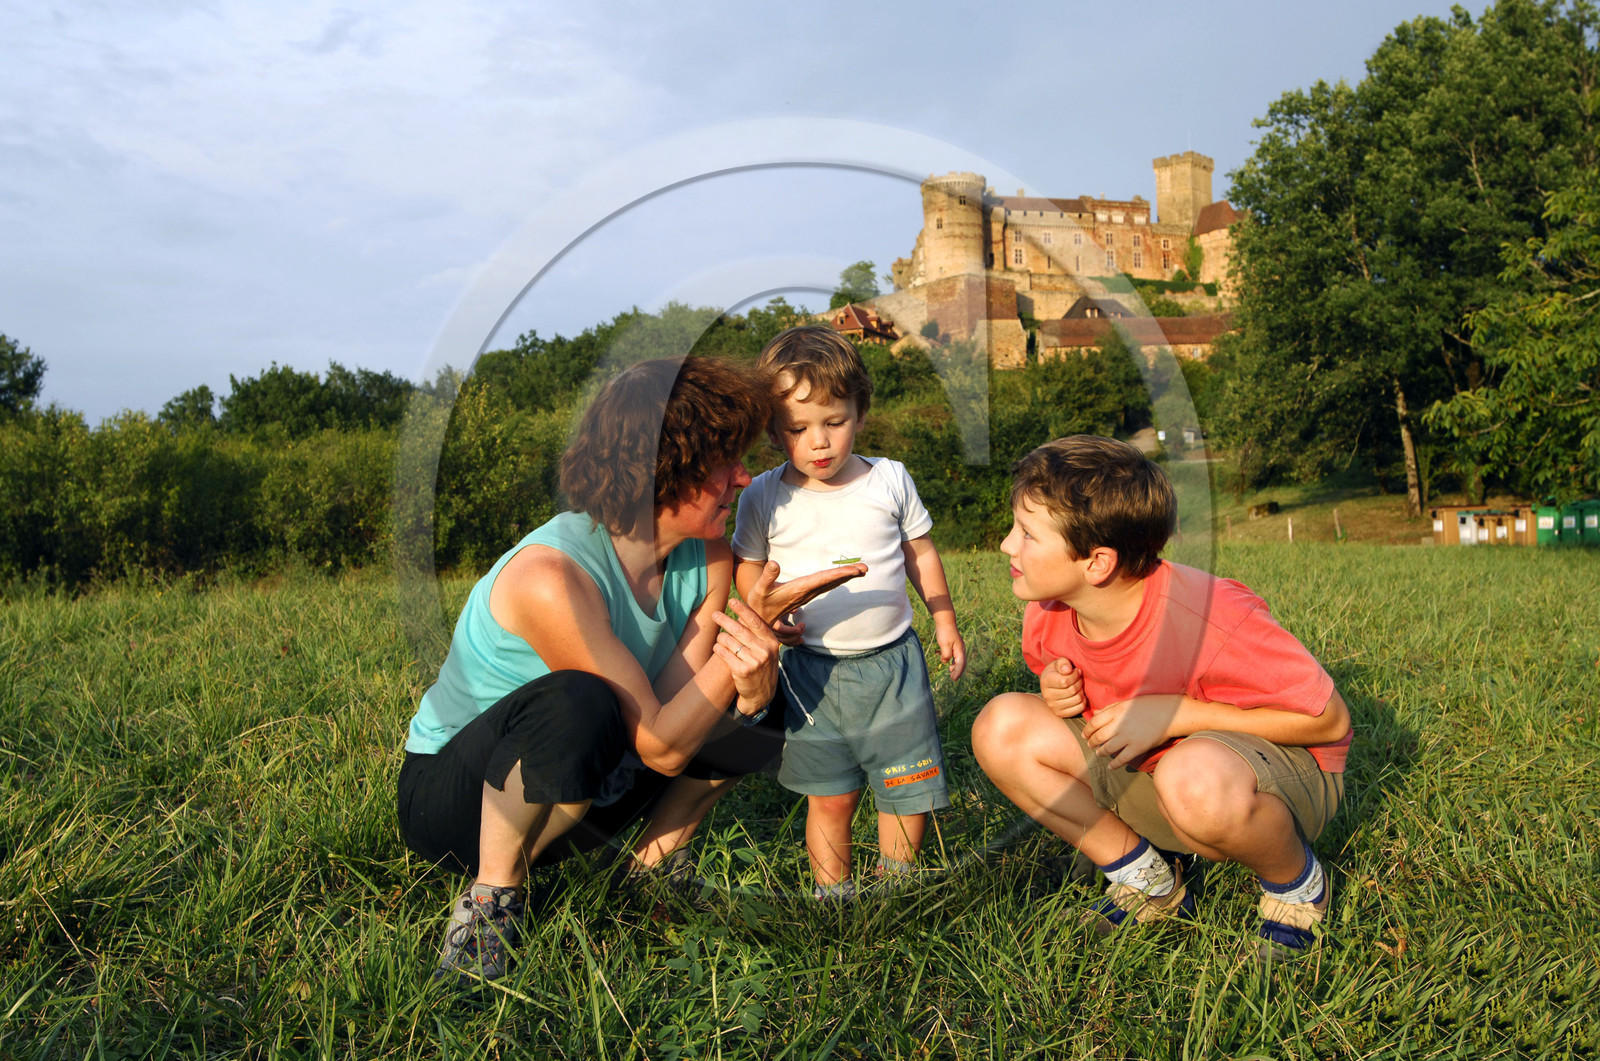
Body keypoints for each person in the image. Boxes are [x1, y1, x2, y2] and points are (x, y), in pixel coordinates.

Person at [397, 356, 865, 984]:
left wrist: (752, 689)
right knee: (578, 700)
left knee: (768, 698)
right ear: (663, 472)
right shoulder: (551, 576)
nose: (743, 477)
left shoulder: (709, 557)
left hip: (581, 785)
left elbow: (679, 711)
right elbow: (659, 744)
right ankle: (492, 901)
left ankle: (650, 869)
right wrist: (744, 634)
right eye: (723, 463)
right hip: (457, 803)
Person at [970, 435, 1352, 961]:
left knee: (1190, 776)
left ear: (1097, 563)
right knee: (1000, 726)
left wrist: (1177, 714)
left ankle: (1296, 889)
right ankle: (1147, 881)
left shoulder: (1207, 614)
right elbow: (1064, 687)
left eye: (1028, 534)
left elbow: (1328, 721)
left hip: (1275, 783)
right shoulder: (1049, 607)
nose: (1007, 546)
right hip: (1159, 778)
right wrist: (1054, 690)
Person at [732, 326, 965, 901]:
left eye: (834, 422)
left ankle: (897, 884)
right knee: (830, 795)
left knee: (904, 787)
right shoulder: (763, 496)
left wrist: (944, 620)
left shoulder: (889, 479)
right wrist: (767, 617)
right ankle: (832, 893)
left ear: (860, 412)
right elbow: (748, 569)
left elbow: (921, 553)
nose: (820, 442)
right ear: (772, 431)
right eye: (798, 429)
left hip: (894, 666)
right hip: (812, 672)